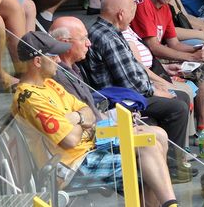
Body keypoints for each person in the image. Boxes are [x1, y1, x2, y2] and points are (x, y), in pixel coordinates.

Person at [11, 31, 178, 206]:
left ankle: (164, 204)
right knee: (148, 152)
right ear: (38, 61)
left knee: (155, 136)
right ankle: (170, 204)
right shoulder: (30, 97)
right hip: (71, 167)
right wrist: (82, 120)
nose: (59, 60)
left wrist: (76, 117)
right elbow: (70, 139)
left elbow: (87, 111)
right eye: (53, 57)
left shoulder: (49, 84)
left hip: (89, 148)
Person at [79, 0, 191, 153]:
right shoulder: (108, 38)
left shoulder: (103, 30)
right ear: (121, 14)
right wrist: (155, 90)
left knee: (181, 95)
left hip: (123, 92)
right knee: (178, 107)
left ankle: (176, 155)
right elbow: (132, 83)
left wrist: (157, 86)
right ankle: (174, 165)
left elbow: (133, 70)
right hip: (119, 99)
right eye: (132, 13)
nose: (133, 18)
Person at [130, 0, 204, 140]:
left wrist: (197, 49)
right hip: (150, 62)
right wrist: (191, 56)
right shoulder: (143, 4)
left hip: (158, 59)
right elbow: (154, 47)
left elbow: (173, 43)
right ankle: (203, 125)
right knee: (200, 68)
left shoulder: (165, 7)